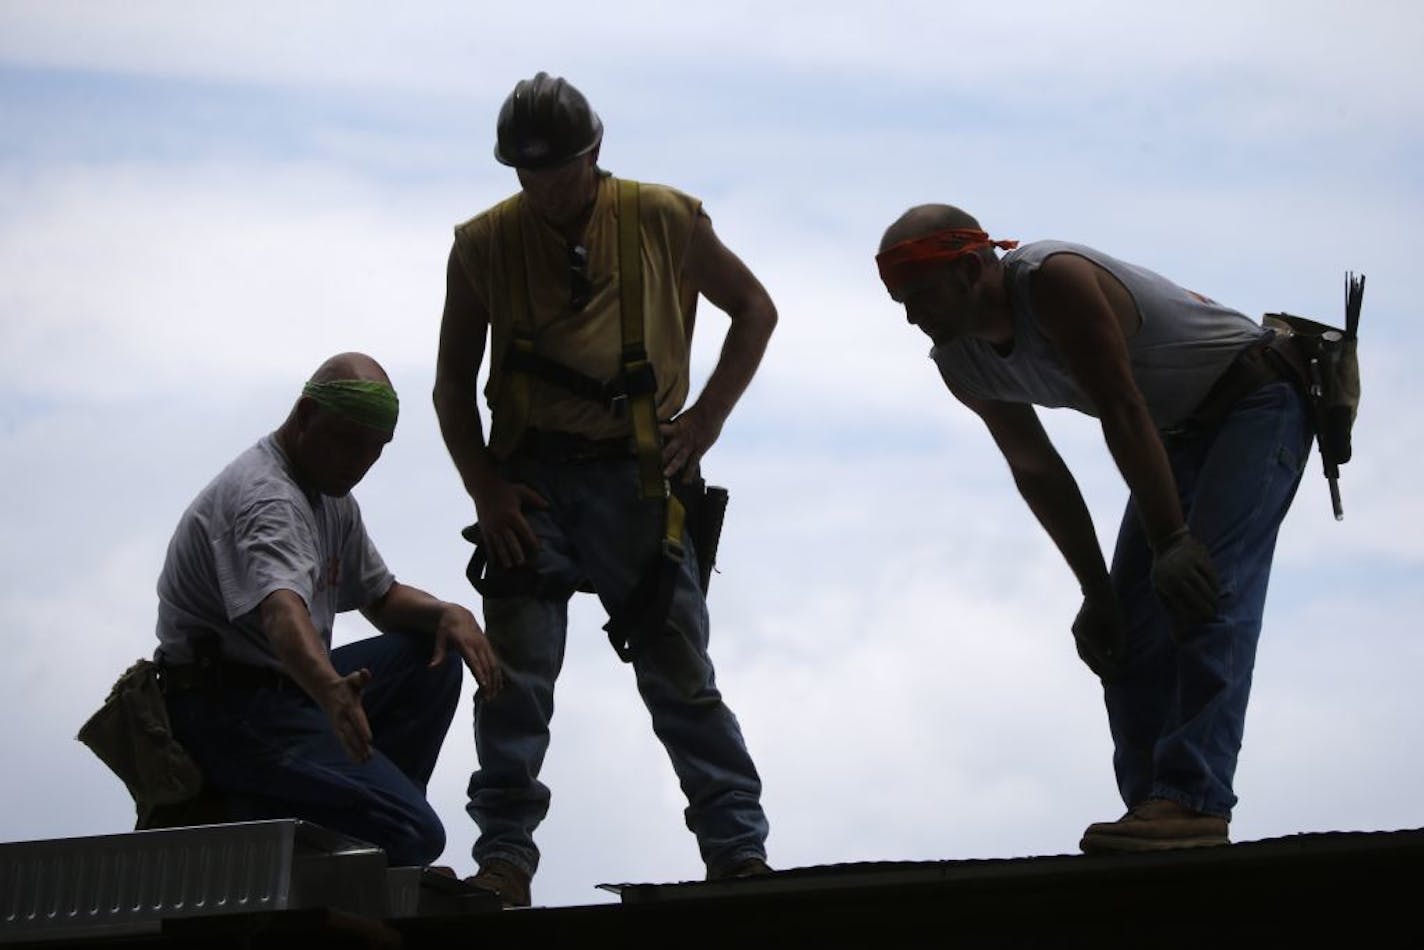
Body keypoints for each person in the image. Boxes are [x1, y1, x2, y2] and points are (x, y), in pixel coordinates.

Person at [434, 72, 776, 906]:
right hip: (532, 487)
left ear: (595, 153)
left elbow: (755, 311)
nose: (545, 189)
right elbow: (451, 385)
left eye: (559, 171)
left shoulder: (662, 219)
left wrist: (706, 422)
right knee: (513, 681)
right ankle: (505, 861)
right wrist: (486, 489)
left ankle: (736, 852)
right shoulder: (484, 244)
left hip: (637, 479)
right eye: (527, 174)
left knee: (679, 674)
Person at [875, 205, 1313, 854]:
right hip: (1172, 434)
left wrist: (1171, 543)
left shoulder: (1054, 280)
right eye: (898, 302)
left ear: (970, 268)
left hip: (1254, 397)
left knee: (1202, 593)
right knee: (1127, 634)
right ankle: (1148, 812)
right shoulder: (959, 363)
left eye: (920, 294)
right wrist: (1097, 592)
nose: (912, 316)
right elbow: (1036, 469)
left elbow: (1119, 404)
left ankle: (1194, 802)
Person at [154, 352, 504, 867]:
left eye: (373, 450)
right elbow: (282, 613)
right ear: (304, 416)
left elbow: (382, 599)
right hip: (226, 707)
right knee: (416, 834)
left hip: (288, 691)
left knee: (431, 656)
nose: (358, 463)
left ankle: (362, 813)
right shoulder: (267, 500)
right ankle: (250, 811)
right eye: (346, 442)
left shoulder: (329, 492)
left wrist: (447, 612)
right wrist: (329, 689)